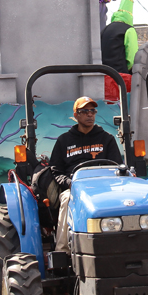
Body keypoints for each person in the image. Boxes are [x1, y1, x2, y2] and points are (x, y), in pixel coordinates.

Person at [49, 97, 124, 252]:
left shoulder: (106, 139)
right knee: (65, 201)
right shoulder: (64, 141)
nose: (90, 115)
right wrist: (68, 182)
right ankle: (62, 251)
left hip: (104, 187)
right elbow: (56, 170)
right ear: (76, 115)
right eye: (85, 111)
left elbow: (116, 165)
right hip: (74, 187)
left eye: (92, 111)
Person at [100, 0, 138, 76]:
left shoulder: (105, 29)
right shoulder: (129, 29)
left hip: (104, 76)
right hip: (121, 78)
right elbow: (132, 58)